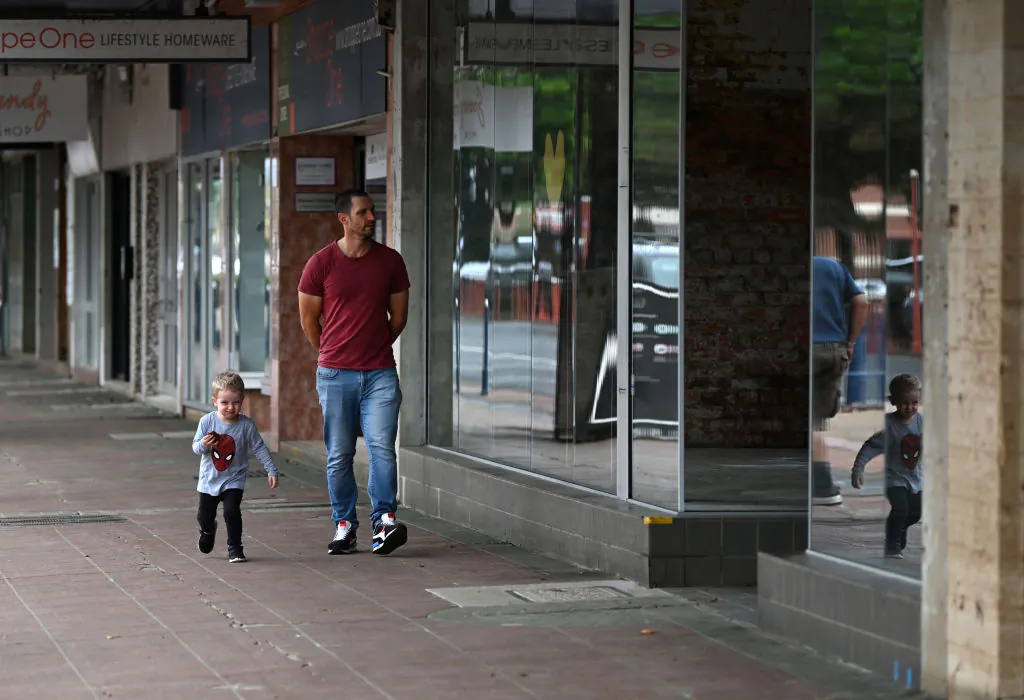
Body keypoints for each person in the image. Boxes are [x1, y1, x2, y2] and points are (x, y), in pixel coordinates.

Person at [298, 188, 411, 556]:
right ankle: (344, 525)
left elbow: (399, 319)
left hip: (380, 374)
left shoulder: (391, 262)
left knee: (381, 448)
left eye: (373, 211)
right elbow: (308, 321)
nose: (372, 218)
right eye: (364, 212)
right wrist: (334, 353)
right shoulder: (321, 264)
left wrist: (374, 346)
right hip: (335, 375)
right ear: (344, 219)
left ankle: (384, 522)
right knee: (339, 454)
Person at [192, 371, 279, 563]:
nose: (231, 407)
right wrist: (205, 444)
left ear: (242, 400)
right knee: (204, 515)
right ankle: (208, 530)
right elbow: (196, 448)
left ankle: (235, 548)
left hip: (234, 479)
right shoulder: (207, 422)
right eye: (225, 403)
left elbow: (259, 447)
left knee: (231, 511)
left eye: (236, 402)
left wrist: (271, 469)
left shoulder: (246, 425)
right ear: (215, 401)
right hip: (209, 479)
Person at [812, 255, 868, 505]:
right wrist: (851, 342)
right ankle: (822, 486)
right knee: (813, 422)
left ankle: (819, 486)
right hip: (833, 351)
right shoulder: (833, 266)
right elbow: (862, 302)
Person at [851, 374, 923, 559]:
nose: (910, 407)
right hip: (894, 479)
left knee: (916, 513)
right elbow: (871, 446)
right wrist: (858, 469)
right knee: (900, 508)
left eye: (915, 402)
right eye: (905, 403)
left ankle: (900, 529)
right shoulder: (889, 425)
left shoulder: (923, 423)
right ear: (893, 401)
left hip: (918, 480)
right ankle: (892, 545)